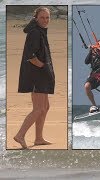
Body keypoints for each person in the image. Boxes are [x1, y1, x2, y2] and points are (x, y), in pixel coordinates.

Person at [14, 7, 55, 149]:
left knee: (45, 107)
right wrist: (43, 67)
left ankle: (38, 138)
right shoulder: (35, 33)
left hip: (42, 75)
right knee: (38, 108)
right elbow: (30, 56)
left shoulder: (40, 31)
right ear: (36, 18)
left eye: (47, 17)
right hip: (36, 75)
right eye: (42, 17)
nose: (45, 20)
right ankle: (20, 135)